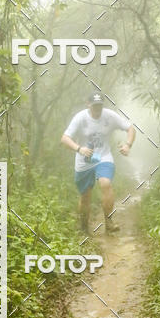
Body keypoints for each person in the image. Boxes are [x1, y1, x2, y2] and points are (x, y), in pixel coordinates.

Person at [61, 91, 135, 234]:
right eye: (94, 106)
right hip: (84, 160)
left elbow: (130, 128)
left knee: (105, 184)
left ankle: (109, 222)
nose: (97, 109)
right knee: (85, 196)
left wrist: (128, 145)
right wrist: (79, 149)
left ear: (103, 105)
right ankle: (83, 227)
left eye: (99, 106)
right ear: (88, 104)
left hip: (104, 157)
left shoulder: (110, 116)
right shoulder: (80, 118)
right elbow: (64, 138)